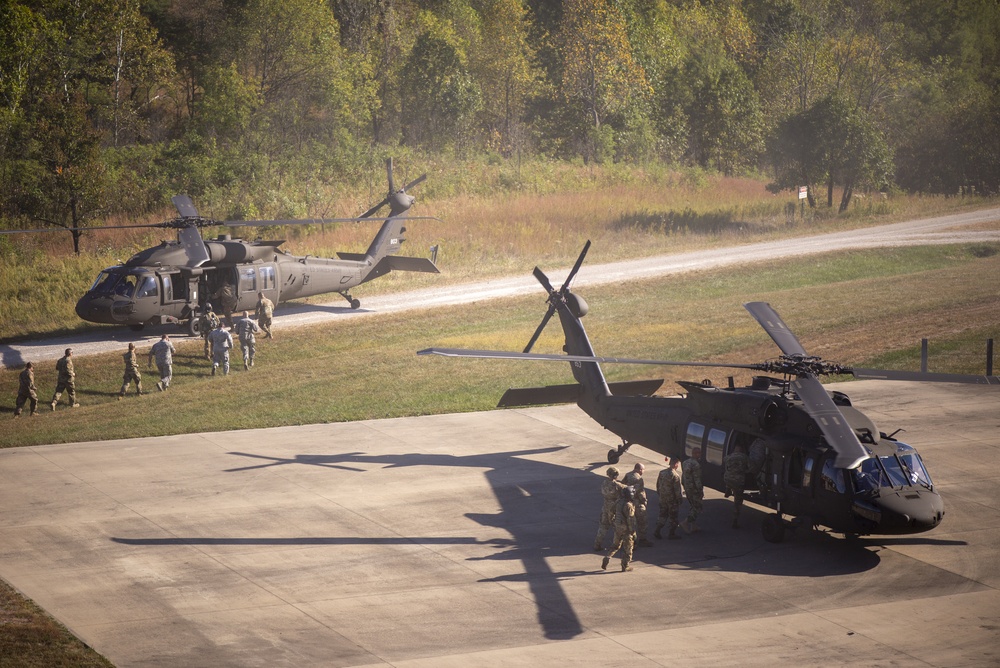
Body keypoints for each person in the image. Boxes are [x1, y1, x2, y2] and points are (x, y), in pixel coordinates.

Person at [601, 486, 637, 572]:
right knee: (628, 548)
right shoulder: (629, 506)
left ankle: (607, 557)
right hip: (626, 529)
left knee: (615, 545)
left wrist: (612, 521)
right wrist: (633, 532)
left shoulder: (619, 502)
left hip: (618, 527)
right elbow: (630, 520)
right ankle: (625, 566)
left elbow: (611, 512)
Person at [594, 466, 624, 551]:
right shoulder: (617, 485)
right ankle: (617, 545)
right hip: (614, 508)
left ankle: (597, 544)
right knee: (618, 527)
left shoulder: (604, 483)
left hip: (606, 506)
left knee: (603, 526)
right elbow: (626, 488)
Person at [622, 462, 652, 547]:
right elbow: (640, 492)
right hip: (637, 503)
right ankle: (642, 539)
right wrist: (644, 501)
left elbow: (623, 486)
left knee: (631, 522)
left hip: (628, 502)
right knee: (642, 521)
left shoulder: (628, 475)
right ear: (639, 469)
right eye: (643, 470)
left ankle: (631, 541)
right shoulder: (638, 478)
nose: (643, 471)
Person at [654, 456, 683, 540]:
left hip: (663, 498)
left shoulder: (662, 472)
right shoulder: (675, 475)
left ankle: (657, 530)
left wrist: (660, 494)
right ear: (676, 464)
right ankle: (672, 533)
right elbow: (677, 490)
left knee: (662, 515)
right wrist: (679, 499)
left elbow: (658, 485)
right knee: (673, 517)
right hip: (672, 500)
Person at [723, 443, 750, 529]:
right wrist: (746, 471)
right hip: (738, 481)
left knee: (729, 477)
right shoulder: (744, 457)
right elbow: (752, 467)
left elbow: (724, 461)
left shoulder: (729, 456)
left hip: (727, 479)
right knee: (737, 501)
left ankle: (727, 488)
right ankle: (735, 520)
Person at [681, 446, 704, 533]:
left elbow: (683, 477)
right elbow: (697, 479)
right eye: (699, 453)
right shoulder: (696, 465)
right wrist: (700, 491)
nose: (700, 455)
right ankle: (686, 522)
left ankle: (693, 526)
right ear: (695, 454)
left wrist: (685, 486)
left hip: (687, 488)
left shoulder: (685, 462)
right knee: (697, 507)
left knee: (692, 505)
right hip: (694, 489)